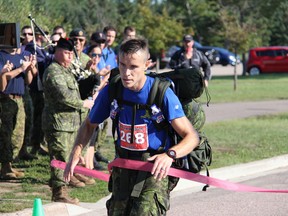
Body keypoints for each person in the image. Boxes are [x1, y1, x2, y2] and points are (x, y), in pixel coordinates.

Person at [64, 38, 199, 215]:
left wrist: (169, 155)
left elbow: (191, 137)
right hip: (123, 166)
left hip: (154, 168)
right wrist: (76, 152)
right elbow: (90, 124)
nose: (127, 73)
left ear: (146, 65)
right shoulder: (113, 90)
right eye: (122, 65)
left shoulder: (161, 92)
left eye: (133, 67)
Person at [42, 38, 94, 204]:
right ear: (57, 52)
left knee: (68, 156)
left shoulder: (66, 70)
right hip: (58, 124)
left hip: (69, 123)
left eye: (71, 53)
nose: (70, 56)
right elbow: (64, 97)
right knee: (60, 158)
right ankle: (59, 193)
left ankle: (65, 186)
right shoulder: (53, 72)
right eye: (66, 52)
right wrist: (84, 103)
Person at [0, 47, 37, 179]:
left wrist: (28, 69)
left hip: (19, 99)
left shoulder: (25, 54)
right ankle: (5, 167)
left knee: (18, 135)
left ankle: (9, 164)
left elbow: (29, 81)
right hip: (5, 99)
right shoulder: (2, 55)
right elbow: (3, 76)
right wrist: (21, 68)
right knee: (6, 135)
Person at [169, 34, 211, 132]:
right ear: (183, 43)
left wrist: (206, 79)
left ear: (192, 42)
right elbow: (171, 65)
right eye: (185, 42)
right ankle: (182, 129)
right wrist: (183, 60)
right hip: (181, 88)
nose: (187, 44)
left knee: (194, 108)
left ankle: (194, 127)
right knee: (182, 108)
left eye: (189, 42)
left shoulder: (198, 54)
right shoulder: (178, 54)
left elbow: (207, 66)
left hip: (195, 88)